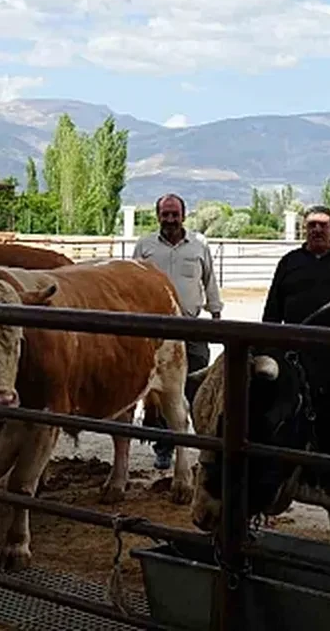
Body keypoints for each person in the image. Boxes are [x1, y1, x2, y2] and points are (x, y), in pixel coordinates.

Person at [132, 193, 223, 470]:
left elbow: (209, 280)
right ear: (157, 216)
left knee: (197, 386)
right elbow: (132, 282)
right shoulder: (145, 246)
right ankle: (164, 448)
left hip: (191, 326)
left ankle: (206, 449)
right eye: (165, 214)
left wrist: (215, 315)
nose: (170, 219)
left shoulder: (199, 245)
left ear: (184, 215)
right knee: (161, 390)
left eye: (175, 214)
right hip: (156, 330)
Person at [262, 204, 330, 324]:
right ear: (305, 229)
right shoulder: (289, 262)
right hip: (297, 334)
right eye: (312, 225)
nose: (317, 230)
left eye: (323, 225)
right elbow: (272, 310)